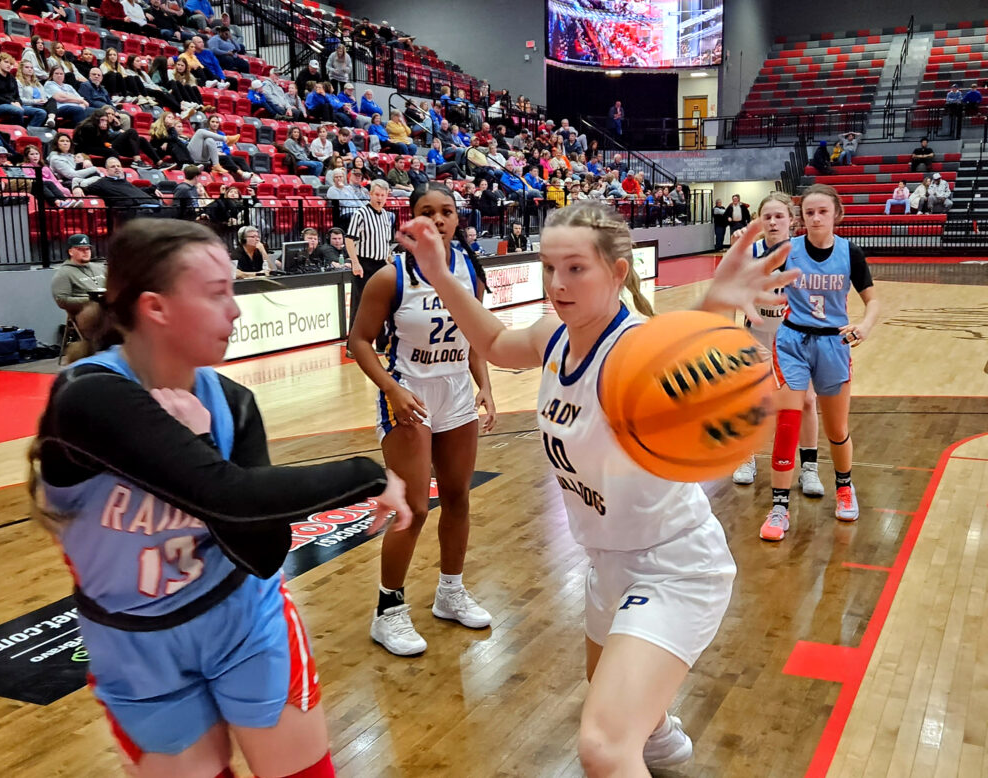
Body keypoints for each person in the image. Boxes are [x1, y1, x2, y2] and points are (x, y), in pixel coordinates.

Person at [395, 200, 797, 775]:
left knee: (604, 746)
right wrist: (438, 273)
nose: (558, 283)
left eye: (576, 268)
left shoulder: (633, 349)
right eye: (550, 268)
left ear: (618, 271)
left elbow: (675, 369)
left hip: (674, 565)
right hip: (606, 561)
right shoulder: (553, 337)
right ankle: (661, 741)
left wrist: (715, 306)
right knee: (615, 700)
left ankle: (647, 741)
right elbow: (492, 343)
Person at [31, 218, 410, 778]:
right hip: (134, 642)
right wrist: (369, 474)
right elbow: (225, 495)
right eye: (216, 294)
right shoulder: (87, 397)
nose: (235, 310)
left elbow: (264, 549)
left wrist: (208, 440)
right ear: (155, 308)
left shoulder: (231, 401)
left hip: (242, 619)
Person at [348, 182, 495, 656]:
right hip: (408, 391)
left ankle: (450, 592)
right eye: (425, 211)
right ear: (409, 221)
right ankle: (387, 611)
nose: (436, 219)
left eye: (445, 211)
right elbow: (359, 341)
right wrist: (391, 389)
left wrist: (486, 387)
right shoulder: (389, 278)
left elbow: (475, 334)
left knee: (457, 497)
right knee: (411, 507)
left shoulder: (467, 269)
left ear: (456, 220)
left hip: (455, 390)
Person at [760, 184, 879, 542]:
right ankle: (779, 506)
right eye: (809, 212)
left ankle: (845, 487)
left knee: (837, 429)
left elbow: (872, 301)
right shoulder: (787, 250)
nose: (815, 218)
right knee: (788, 421)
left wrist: (865, 325)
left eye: (822, 211)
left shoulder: (850, 253)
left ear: (836, 215)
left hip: (834, 343)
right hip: (792, 340)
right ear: (801, 218)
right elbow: (752, 260)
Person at [729, 193, 824, 499]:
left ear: (791, 221)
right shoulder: (748, 250)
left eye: (779, 216)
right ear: (758, 220)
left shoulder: (805, 252)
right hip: (756, 335)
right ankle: (746, 457)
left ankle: (809, 467)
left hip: (794, 338)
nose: (772, 222)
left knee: (807, 400)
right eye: (766, 216)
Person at [345, 179, 394, 356]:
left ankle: (381, 344)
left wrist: (390, 259)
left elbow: (386, 242)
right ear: (370, 194)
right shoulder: (360, 214)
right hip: (364, 264)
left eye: (383, 195)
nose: (380, 198)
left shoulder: (387, 216)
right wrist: (355, 262)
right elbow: (349, 239)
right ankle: (352, 347)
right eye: (376, 194)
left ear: (387, 196)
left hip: (382, 264)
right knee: (359, 306)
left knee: (383, 305)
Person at [0, 53, 48, 127]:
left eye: (11, 63)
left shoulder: (12, 78)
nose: (9, 65)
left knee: (41, 113)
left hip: (14, 104)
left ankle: (29, 131)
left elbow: (17, 95)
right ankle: (20, 130)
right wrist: (11, 103)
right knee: (17, 110)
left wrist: (18, 102)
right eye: (6, 62)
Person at [51, 233, 106, 316]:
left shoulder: (100, 268)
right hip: (84, 314)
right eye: (80, 249)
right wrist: (91, 300)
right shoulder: (64, 273)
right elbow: (62, 301)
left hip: (107, 310)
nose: (85, 252)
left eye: (87, 249)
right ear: (70, 252)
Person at [84, 157, 164, 208]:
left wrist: (151, 189)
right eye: (113, 166)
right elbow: (85, 189)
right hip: (134, 212)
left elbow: (135, 190)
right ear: (107, 170)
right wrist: (76, 188)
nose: (116, 168)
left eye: (118, 166)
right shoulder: (102, 183)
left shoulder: (124, 182)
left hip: (151, 206)